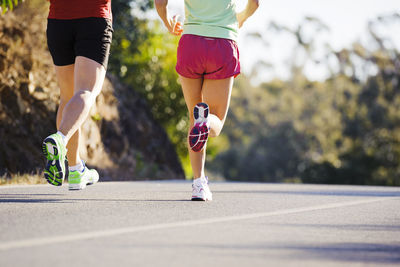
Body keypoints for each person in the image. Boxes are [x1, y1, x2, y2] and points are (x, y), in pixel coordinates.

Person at [155, 0, 259, 201]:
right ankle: (206, 122)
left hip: (191, 43)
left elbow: (160, 3)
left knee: (194, 116)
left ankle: (198, 184)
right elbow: (254, 4)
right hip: (223, 42)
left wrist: (168, 23)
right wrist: (241, 17)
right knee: (215, 120)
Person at [42, 0, 113, 190]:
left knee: (67, 96)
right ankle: (60, 138)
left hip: (58, 21)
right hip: (93, 17)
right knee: (86, 91)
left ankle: (75, 170)